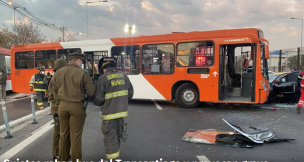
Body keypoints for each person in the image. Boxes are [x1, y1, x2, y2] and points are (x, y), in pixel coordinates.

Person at [52, 52, 95, 162]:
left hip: (62, 107)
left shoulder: (59, 72)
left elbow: (54, 90)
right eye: (81, 61)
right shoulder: (82, 73)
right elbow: (91, 91)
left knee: (63, 135)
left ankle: (62, 159)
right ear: (79, 60)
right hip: (76, 107)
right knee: (75, 136)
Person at [93, 61, 133, 160]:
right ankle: (116, 156)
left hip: (109, 114)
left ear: (104, 69)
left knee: (110, 137)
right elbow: (130, 94)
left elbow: (98, 100)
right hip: (122, 113)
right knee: (117, 135)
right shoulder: (124, 76)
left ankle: (112, 159)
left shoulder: (103, 78)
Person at [47, 59, 66, 160]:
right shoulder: (59, 78)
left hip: (55, 108)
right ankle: (58, 153)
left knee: (58, 131)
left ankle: (58, 153)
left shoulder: (53, 78)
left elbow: (50, 96)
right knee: (60, 132)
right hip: (59, 108)